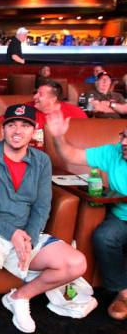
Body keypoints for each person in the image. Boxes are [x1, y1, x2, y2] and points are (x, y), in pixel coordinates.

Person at [0, 104, 87, 333]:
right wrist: (12, 234)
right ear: (3, 130)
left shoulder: (42, 161)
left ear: (34, 131)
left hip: (26, 231)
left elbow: (41, 206)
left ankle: (19, 297)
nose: (17, 131)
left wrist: (29, 237)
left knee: (77, 263)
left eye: (24, 125)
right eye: (11, 125)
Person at [46, 112, 127, 320]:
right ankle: (123, 293)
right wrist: (58, 137)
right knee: (105, 237)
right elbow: (71, 155)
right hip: (121, 217)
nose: (124, 143)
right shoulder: (113, 152)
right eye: (123, 136)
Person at [29, 81, 87, 147]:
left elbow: (85, 139)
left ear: (53, 99)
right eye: (36, 92)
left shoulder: (76, 113)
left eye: (40, 94)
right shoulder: (26, 108)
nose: (34, 96)